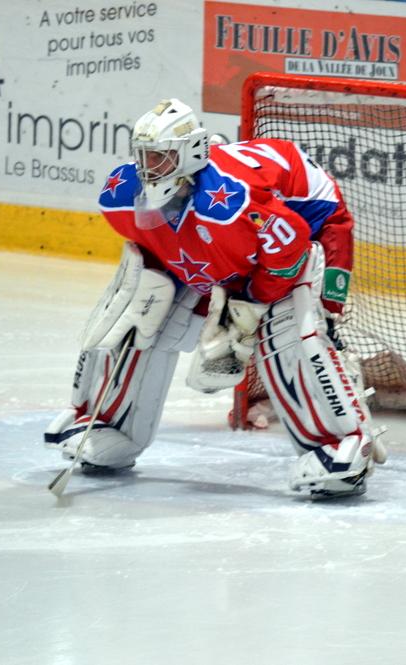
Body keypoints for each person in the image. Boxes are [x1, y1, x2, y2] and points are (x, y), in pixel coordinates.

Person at [44, 98, 385, 497]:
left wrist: (249, 303)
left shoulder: (232, 202)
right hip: (234, 243)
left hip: (311, 228)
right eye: (144, 157)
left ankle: (340, 444)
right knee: (140, 312)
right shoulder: (122, 194)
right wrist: (152, 286)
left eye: (160, 157)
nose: (147, 168)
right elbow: (160, 245)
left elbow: (290, 248)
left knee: (288, 332)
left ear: (190, 153)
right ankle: (110, 424)